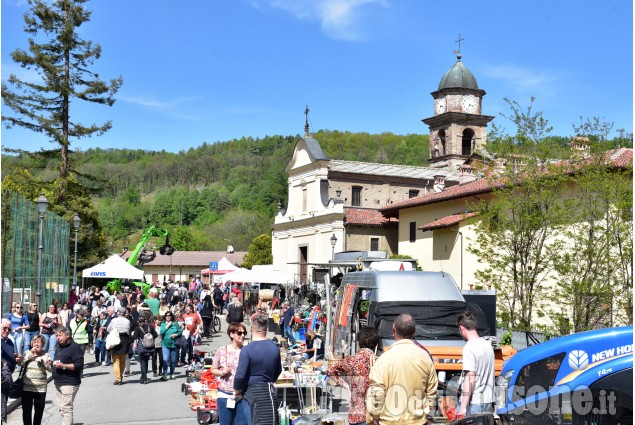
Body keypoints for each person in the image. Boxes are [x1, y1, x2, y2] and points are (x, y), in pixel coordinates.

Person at [366, 314, 438, 425]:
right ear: (414, 331)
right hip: (418, 421)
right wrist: (427, 414)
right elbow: (432, 391)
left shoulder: (383, 359)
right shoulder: (425, 357)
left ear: (393, 329)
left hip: (389, 421)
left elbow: (377, 392)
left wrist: (375, 416)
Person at [234, 313, 282, 425]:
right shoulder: (274, 348)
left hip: (251, 393)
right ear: (267, 329)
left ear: (251, 329)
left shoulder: (247, 350)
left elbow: (240, 375)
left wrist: (237, 391)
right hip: (268, 391)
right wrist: (268, 379)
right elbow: (278, 370)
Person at [327, 326, 379, 425]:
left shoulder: (350, 360)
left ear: (358, 343)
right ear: (376, 345)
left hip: (355, 414)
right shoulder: (378, 361)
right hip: (372, 415)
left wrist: (346, 386)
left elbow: (330, 371)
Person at [456, 310, 495, 418]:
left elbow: (470, 378)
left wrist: (463, 407)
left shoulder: (469, 347)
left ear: (461, 328)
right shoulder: (488, 345)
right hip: (488, 401)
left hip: (474, 403)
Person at [211, 322, 248, 425]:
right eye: (239, 333)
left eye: (244, 333)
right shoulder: (222, 350)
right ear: (231, 334)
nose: (243, 335)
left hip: (242, 395)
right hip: (225, 394)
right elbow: (213, 369)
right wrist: (222, 372)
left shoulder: (246, 351)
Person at [48, 326, 83, 425]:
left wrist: (63, 366)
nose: (58, 338)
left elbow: (78, 365)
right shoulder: (59, 347)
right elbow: (59, 362)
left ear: (67, 335)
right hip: (58, 383)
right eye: (56, 336)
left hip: (69, 383)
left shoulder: (74, 347)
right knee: (62, 408)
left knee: (66, 408)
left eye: (60, 335)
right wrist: (51, 363)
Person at [20, 334, 51, 425]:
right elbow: (21, 363)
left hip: (41, 388)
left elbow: (50, 368)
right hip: (27, 387)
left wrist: (42, 362)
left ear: (43, 344)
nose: (36, 344)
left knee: (39, 411)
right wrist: (30, 353)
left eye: (39, 342)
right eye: (34, 342)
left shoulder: (46, 355)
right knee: (26, 411)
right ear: (31, 343)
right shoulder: (27, 353)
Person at [1, 318, 21, 422]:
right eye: (4, 328)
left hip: (7, 376)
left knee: (3, 404)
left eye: (9, 329)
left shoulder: (9, 341)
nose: (7, 331)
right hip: (2, 376)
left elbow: (10, 355)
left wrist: (15, 359)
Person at [106, 307, 131, 385]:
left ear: (119, 313)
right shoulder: (127, 321)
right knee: (122, 360)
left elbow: (108, 329)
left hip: (116, 339)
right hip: (125, 340)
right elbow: (128, 331)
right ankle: (120, 376)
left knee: (116, 361)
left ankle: (118, 378)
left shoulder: (114, 320)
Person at [131, 315, 157, 384]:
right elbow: (155, 335)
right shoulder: (150, 326)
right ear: (145, 320)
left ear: (138, 321)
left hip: (142, 348)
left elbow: (134, 337)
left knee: (142, 362)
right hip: (150, 347)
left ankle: (144, 378)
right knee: (146, 361)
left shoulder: (137, 328)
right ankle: (143, 376)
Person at [159, 311, 181, 381]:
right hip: (165, 345)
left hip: (173, 345)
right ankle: (164, 374)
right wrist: (167, 326)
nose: (168, 316)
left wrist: (176, 335)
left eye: (169, 315)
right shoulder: (163, 324)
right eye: (166, 315)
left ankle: (172, 373)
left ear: (171, 316)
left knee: (173, 361)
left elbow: (180, 332)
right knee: (165, 359)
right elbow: (161, 332)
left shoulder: (175, 324)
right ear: (165, 317)